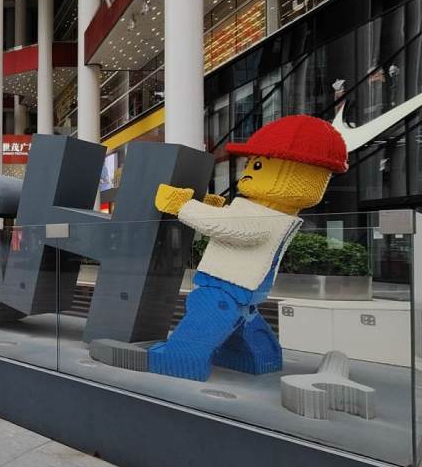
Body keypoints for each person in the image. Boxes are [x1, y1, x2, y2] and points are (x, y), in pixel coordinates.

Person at [91, 115, 349, 382]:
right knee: (242, 320)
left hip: (225, 285)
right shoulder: (279, 215)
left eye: (257, 164)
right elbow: (234, 221)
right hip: (247, 288)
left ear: (294, 173)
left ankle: (179, 359)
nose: (248, 171)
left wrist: (183, 206)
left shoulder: (265, 216)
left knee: (206, 317)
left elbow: (230, 227)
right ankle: (255, 358)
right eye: (250, 163)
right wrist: (211, 207)